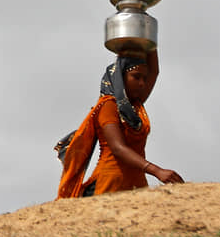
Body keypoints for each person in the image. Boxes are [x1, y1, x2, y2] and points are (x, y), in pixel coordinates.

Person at [56, 50, 182, 198]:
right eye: (136, 77)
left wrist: (149, 42)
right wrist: (156, 171)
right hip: (110, 182)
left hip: (137, 183)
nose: (142, 83)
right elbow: (118, 148)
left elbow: (154, 72)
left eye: (144, 78)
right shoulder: (108, 106)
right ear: (120, 78)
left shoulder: (134, 107)